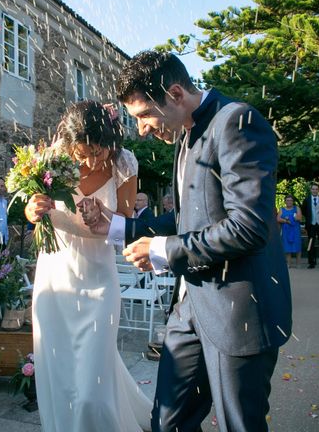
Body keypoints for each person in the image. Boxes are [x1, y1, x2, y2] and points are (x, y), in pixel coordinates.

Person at [81, 51, 291, 432]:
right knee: (166, 423)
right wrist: (117, 228)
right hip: (188, 309)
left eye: (144, 115)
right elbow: (187, 219)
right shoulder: (183, 136)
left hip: (237, 311)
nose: (141, 129)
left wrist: (162, 251)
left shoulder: (236, 121)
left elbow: (249, 227)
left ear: (175, 93)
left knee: (239, 425)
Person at [24, 100, 151, 432]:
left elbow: (123, 225)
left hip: (98, 278)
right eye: (82, 153)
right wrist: (33, 210)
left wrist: (103, 218)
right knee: (61, 372)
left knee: (92, 386)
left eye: (97, 151)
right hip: (55, 276)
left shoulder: (124, 162)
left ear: (111, 140)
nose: (90, 160)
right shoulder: (53, 159)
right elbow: (32, 206)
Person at [301, 183, 319, 269]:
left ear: (318, 190)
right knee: (311, 243)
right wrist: (309, 219)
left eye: (316, 189)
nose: (314, 191)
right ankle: (311, 263)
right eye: (313, 189)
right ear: (311, 190)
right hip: (311, 225)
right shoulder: (306, 200)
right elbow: (304, 211)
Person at [277, 194, 302, 268]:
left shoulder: (296, 208)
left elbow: (299, 218)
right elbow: (278, 219)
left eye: (291, 200)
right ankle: (289, 263)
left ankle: (298, 263)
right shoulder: (282, 209)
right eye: (287, 200)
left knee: (297, 246)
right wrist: (286, 220)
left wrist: (292, 217)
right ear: (285, 201)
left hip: (295, 230)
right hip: (286, 230)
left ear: (293, 201)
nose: (289, 202)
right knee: (287, 247)